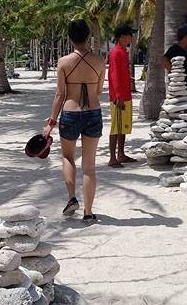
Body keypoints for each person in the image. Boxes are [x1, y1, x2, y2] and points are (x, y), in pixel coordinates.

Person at [42, 19, 106, 222]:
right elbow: (98, 91)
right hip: (93, 113)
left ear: (70, 38)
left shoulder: (63, 62)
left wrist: (51, 122)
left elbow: (60, 95)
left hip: (70, 113)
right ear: (88, 37)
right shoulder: (99, 61)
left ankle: (72, 199)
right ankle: (88, 212)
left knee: (68, 158)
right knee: (89, 166)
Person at [107, 22, 137, 167]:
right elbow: (114, 75)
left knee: (123, 126)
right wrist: (118, 95)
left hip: (126, 94)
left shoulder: (123, 52)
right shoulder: (116, 52)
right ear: (122, 37)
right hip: (119, 97)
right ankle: (112, 158)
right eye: (129, 35)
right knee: (116, 126)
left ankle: (121, 154)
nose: (131, 38)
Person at [162, 24, 187, 102]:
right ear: (186, 36)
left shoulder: (184, 50)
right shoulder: (175, 49)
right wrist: (174, 72)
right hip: (181, 89)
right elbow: (164, 59)